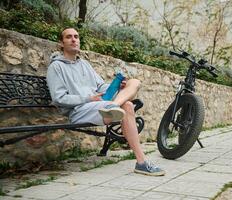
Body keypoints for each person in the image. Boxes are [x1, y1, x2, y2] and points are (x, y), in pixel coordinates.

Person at [46, 27, 165, 176]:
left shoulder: (84, 64)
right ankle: (142, 162)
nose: (74, 39)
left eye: (76, 36)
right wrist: (88, 98)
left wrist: (116, 86)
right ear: (61, 43)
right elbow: (59, 98)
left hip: (100, 105)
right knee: (127, 105)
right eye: (69, 37)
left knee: (134, 83)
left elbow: (100, 86)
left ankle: (114, 107)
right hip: (79, 111)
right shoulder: (56, 67)